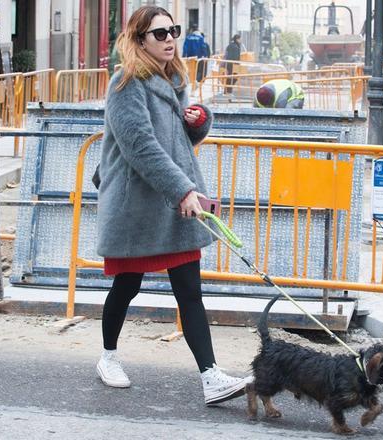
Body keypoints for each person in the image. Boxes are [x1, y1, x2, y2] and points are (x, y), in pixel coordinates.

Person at [95, 5, 250, 405]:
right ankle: (108, 356)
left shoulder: (174, 79)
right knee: (126, 285)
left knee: (190, 291)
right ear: (138, 40)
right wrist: (183, 190)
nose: (170, 40)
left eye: (173, 31)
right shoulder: (125, 83)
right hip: (138, 205)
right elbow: (141, 148)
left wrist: (196, 122)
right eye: (159, 34)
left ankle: (211, 377)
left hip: (176, 200)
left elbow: (175, 142)